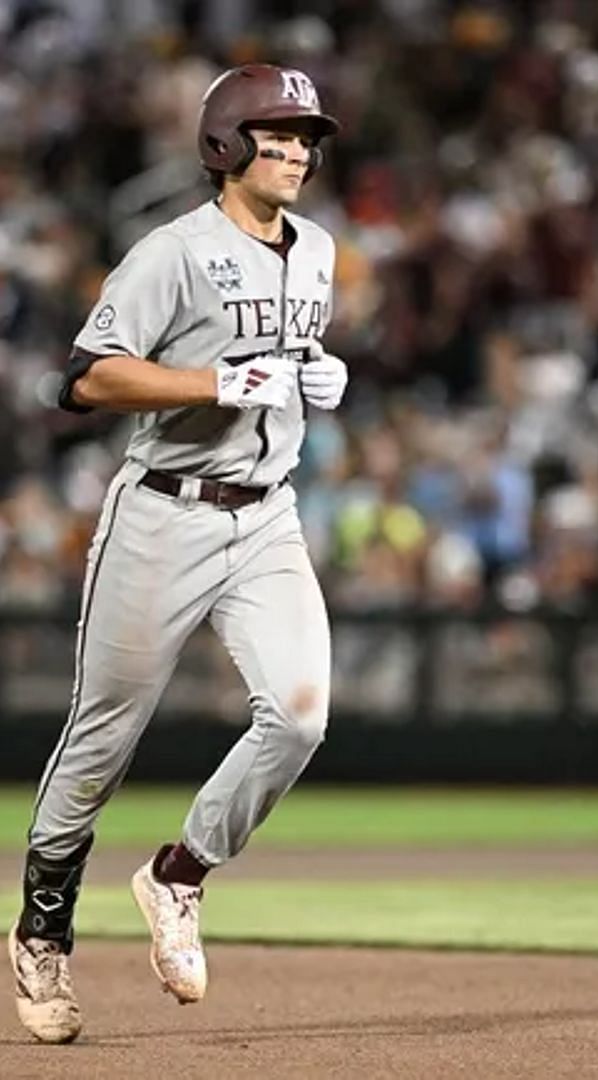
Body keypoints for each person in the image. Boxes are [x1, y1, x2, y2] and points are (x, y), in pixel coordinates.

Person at [10, 63, 346, 1045]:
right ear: (224, 144)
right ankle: (41, 932)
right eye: (276, 134)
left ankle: (179, 875)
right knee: (103, 738)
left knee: (298, 716)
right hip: (163, 513)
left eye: (305, 138)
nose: (295, 151)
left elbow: (281, 366)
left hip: (267, 515)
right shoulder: (174, 252)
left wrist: (317, 373)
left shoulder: (319, 251)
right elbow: (82, 382)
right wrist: (211, 379)